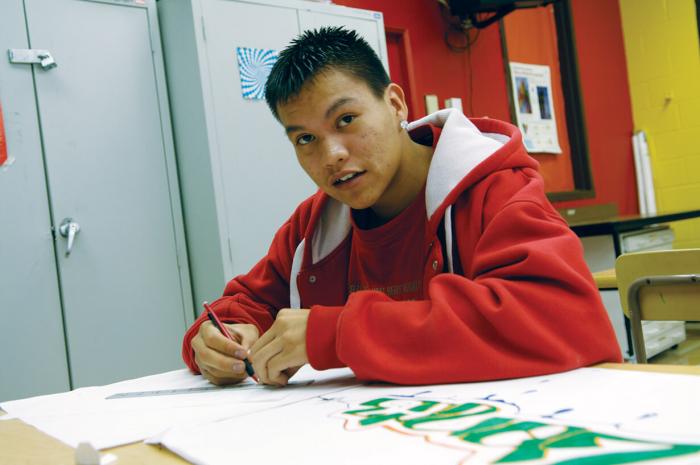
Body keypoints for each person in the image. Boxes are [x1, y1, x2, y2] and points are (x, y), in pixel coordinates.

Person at [182, 26, 621, 387]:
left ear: (394, 104)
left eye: (346, 120)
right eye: (305, 139)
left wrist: (336, 334)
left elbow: (563, 318)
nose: (331, 153)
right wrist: (219, 339)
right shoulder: (314, 226)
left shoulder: (494, 190)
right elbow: (244, 304)